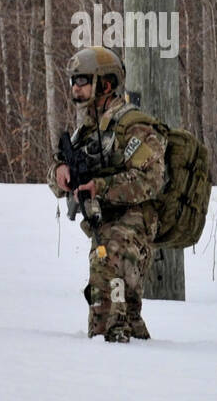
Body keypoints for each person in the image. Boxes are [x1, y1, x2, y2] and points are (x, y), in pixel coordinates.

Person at [47, 47, 166, 342]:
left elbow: (151, 180)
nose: (76, 86)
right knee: (121, 310)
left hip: (132, 224)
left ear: (106, 84)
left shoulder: (133, 124)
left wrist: (101, 187)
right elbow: (57, 181)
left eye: (83, 80)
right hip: (105, 226)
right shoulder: (86, 129)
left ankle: (107, 355)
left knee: (111, 306)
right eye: (74, 80)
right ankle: (124, 353)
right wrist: (59, 173)